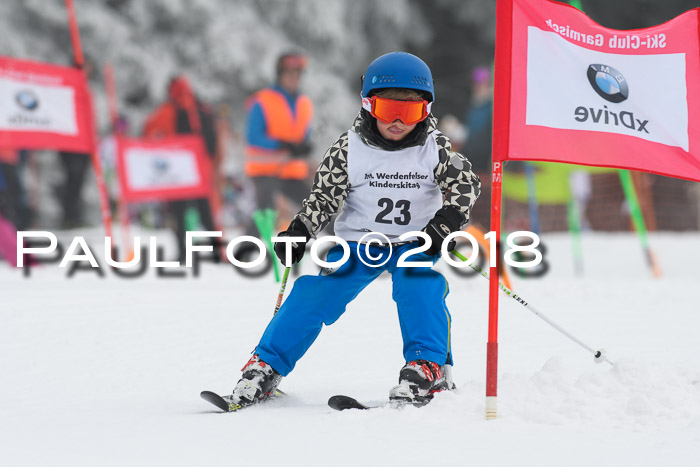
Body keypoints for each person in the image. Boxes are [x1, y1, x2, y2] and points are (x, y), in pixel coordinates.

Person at [225, 52, 481, 408]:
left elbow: (466, 186)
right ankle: (265, 365)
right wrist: (301, 229)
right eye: (386, 109)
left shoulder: (433, 148)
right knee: (315, 292)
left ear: (425, 111)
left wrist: (447, 221)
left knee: (418, 284)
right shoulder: (349, 148)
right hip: (359, 241)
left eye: (408, 112)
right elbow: (325, 196)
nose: (396, 122)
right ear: (367, 105)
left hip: (415, 241)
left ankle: (427, 367)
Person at [143, 75, 221, 261]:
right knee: (205, 212)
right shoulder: (201, 108)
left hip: (176, 171)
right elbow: (213, 141)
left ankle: (183, 252)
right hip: (200, 169)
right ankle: (217, 252)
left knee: (179, 213)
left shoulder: (168, 110)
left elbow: (148, 131)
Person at [244, 51, 314, 225]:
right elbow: (253, 137)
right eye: (289, 74)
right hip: (266, 170)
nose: (293, 78)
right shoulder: (262, 101)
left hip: (291, 170)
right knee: (266, 214)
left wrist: (303, 146)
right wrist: (282, 144)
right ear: (280, 75)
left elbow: (304, 133)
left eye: (297, 74)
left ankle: (346, 246)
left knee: (317, 208)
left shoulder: (304, 103)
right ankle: (244, 250)